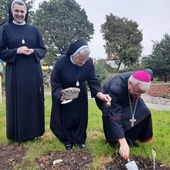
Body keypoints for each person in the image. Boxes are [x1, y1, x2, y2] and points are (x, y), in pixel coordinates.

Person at [50, 38, 111, 150]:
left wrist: (99, 94)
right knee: (65, 116)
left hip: (80, 93)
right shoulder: (61, 61)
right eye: (80, 59)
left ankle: (79, 139)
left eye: (85, 59)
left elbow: (93, 81)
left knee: (80, 116)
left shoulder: (88, 63)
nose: (83, 62)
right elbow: (55, 82)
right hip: (64, 91)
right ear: (73, 55)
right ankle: (67, 140)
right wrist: (61, 94)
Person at [0, 0, 46, 142]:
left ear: (26, 13)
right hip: (15, 73)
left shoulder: (34, 30)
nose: (19, 14)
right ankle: (17, 134)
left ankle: (34, 133)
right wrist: (16, 51)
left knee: (32, 100)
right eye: (17, 11)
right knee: (17, 101)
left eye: (22, 11)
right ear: (11, 12)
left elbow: (43, 50)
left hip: (32, 72)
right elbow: (1, 51)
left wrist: (33, 51)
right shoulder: (5, 29)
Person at [96, 70, 153, 161]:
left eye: (141, 93)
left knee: (144, 111)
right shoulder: (116, 88)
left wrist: (136, 92)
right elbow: (114, 116)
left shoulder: (146, 75)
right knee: (111, 116)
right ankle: (115, 141)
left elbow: (150, 71)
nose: (139, 96)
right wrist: (122, 143)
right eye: (137, 92)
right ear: (130, 83)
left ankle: (130, 137)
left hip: (128, 97)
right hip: (108, 99)